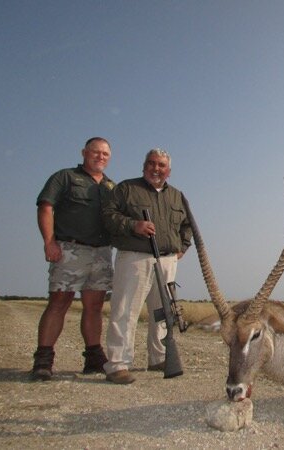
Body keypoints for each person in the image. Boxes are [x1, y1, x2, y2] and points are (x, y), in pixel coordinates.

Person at [102, 148, 192, 384]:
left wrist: (182, 246)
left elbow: (187, 224)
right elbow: (108, 215)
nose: (156, 168)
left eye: (161, 165)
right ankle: (118, 364)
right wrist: (134, 225)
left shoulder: (177, 196)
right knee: (125, 310)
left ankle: (159, 357)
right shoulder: (126, 189)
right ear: (144, 166)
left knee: (163, 312)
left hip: (168, 260)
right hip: (134, 258)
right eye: (151, 163)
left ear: (168, 171)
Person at [32, 137, 114, 381]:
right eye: (95, 152)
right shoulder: (65, 177)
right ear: (84, 153)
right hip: (69, 249)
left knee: (95, 307)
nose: (100, 157)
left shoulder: (111, 186)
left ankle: (93, 358)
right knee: (59, 303)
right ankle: (43, 360)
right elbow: (46, 207)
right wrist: (49, 241)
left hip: (101, 252)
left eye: (105, 154)